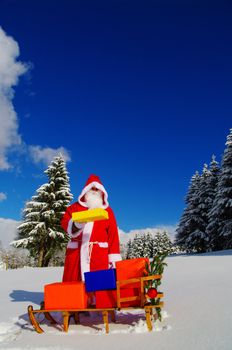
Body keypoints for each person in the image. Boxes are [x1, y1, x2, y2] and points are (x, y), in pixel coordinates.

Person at [61, 174, 122, 282]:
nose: (94, 191)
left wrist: (113, 259)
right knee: (74, 285)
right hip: (76, 252)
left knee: (99, 285)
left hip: (98, 253)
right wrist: (77, 224)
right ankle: (74, 298)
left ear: (102, 192)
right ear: (86, 190)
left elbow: (113, 236)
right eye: (91, 188)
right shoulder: (74, 207)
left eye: (97, 189)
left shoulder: (107, 211)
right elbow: (65, 223)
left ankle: (96, 299)